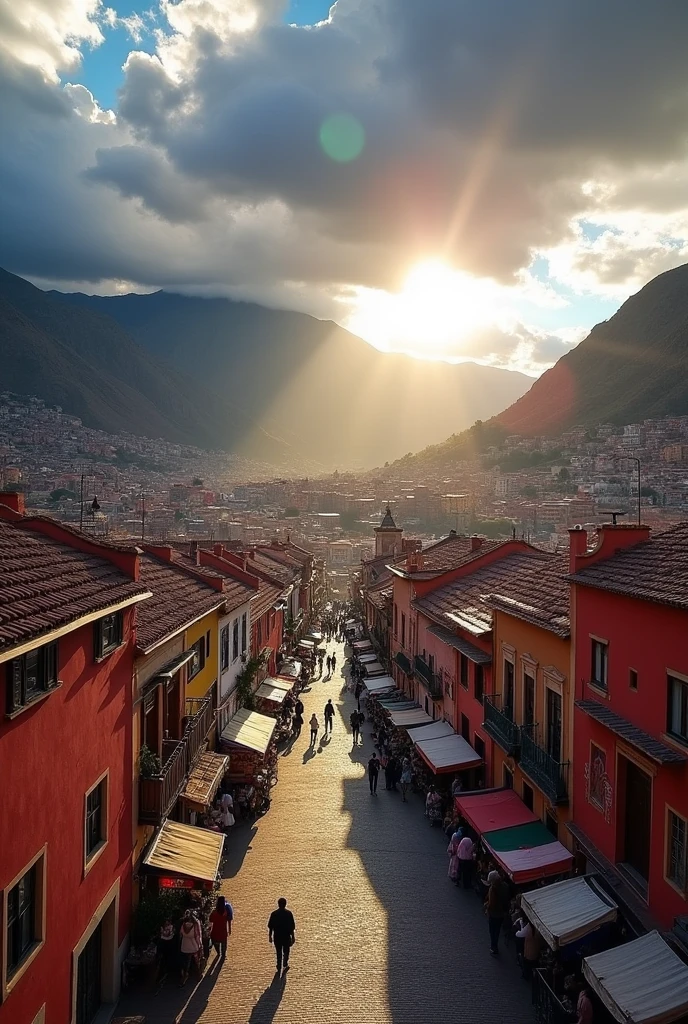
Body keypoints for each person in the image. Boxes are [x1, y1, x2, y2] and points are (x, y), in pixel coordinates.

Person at [268, 897, 296, 974]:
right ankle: (285, 963)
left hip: (277, 936)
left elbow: (271, 926)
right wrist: (293, 936)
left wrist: (270, 936)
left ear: (278, 904)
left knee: (278, 951)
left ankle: (279, 965)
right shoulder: (289, 914)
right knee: (286, 950)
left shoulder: (274, 914)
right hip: (286, 936)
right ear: (285, 904)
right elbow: (292, 926)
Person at [486, 869, 510, 955]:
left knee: (492, 931)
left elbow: (491, 903)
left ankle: (494, 947)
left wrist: (487, 909)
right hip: (501, 913)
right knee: (497, 929)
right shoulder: (505, 886)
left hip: (494, 913)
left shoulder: (493, 889)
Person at [179, 910, 203, 986]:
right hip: (193, 945)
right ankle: (198, 975)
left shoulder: (183, 925)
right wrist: (200, 945)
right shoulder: (196, 924)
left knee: (186, 962)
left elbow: (181, 934)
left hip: (185, 945)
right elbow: (197, 935)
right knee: (195, 961)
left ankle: (184, 977)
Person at [209, 895, 233, 959]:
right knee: (224, 944)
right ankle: (223, 955)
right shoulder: (226, 911)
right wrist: (229, 930)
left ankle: (218, 953)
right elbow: (229, 920)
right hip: (223, 931)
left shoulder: (214, 912)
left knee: (216, 943)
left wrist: (209, 929)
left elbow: (210, 920)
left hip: (215, 931)